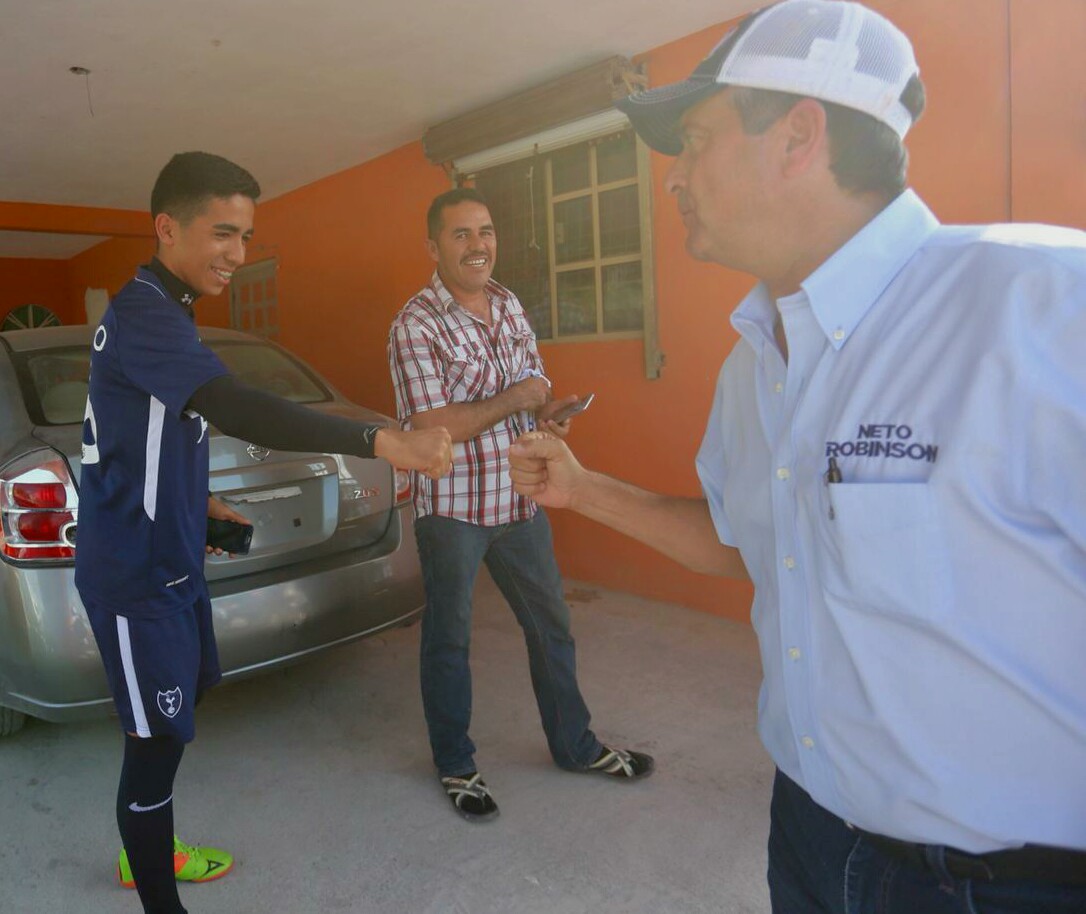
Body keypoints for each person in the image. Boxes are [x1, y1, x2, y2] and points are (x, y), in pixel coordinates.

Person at [508, 1, 1086, 911]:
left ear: (797, 135)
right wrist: (584, 493)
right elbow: (749, 542)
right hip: (809, 837)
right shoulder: (755, 361)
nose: (675, 178)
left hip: (1005, 883)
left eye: (694, 140)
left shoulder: (1042, 306)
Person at [75, 151, 451, 914]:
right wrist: (384, 440)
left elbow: (139, 438)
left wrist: (199, 503)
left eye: (246, 237)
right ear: (166, 227)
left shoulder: (165, 305)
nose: (238, 256)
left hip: (171, 558)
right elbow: (234, 406)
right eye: (222, 233)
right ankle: (156, 889)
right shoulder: (145, 309)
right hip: (136, 576)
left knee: (169, 729)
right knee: (154, 743)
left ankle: (148, 847)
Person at [387, 187, 654, 822]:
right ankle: (455, 764)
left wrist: (550, 414)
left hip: (519, 496)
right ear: (433, 246)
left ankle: (576, 746)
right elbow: (432, 425)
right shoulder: (415, 324)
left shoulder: (508, 304)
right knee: (449, 640)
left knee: (551, 626)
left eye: (484, 231)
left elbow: (534, 392)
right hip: (451, 505)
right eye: (460, 234)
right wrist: (517, 398)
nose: (477, 245)